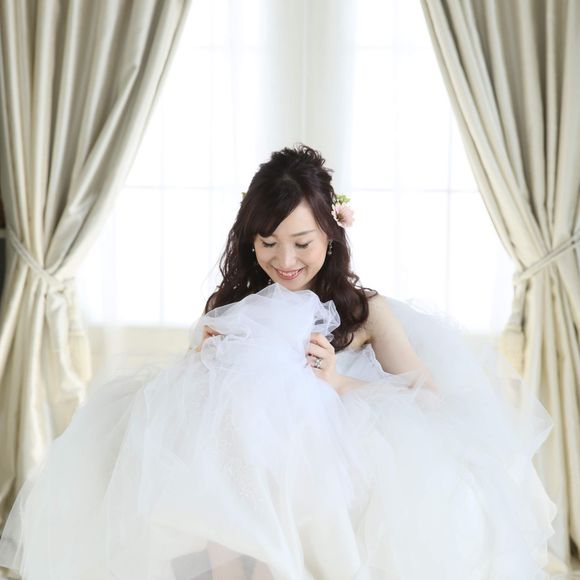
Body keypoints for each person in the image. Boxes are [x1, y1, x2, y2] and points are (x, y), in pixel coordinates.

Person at [0, 144, 556, 580]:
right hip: (240, 464)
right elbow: (193, 410)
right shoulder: (233, 307)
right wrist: (202, 362)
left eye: (301, 243)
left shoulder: (365, 312)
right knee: (190, 422)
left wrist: (337, 383)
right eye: (268, 243)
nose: (284, 261)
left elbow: (427, 398)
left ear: (332, 235)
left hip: (336, 457)